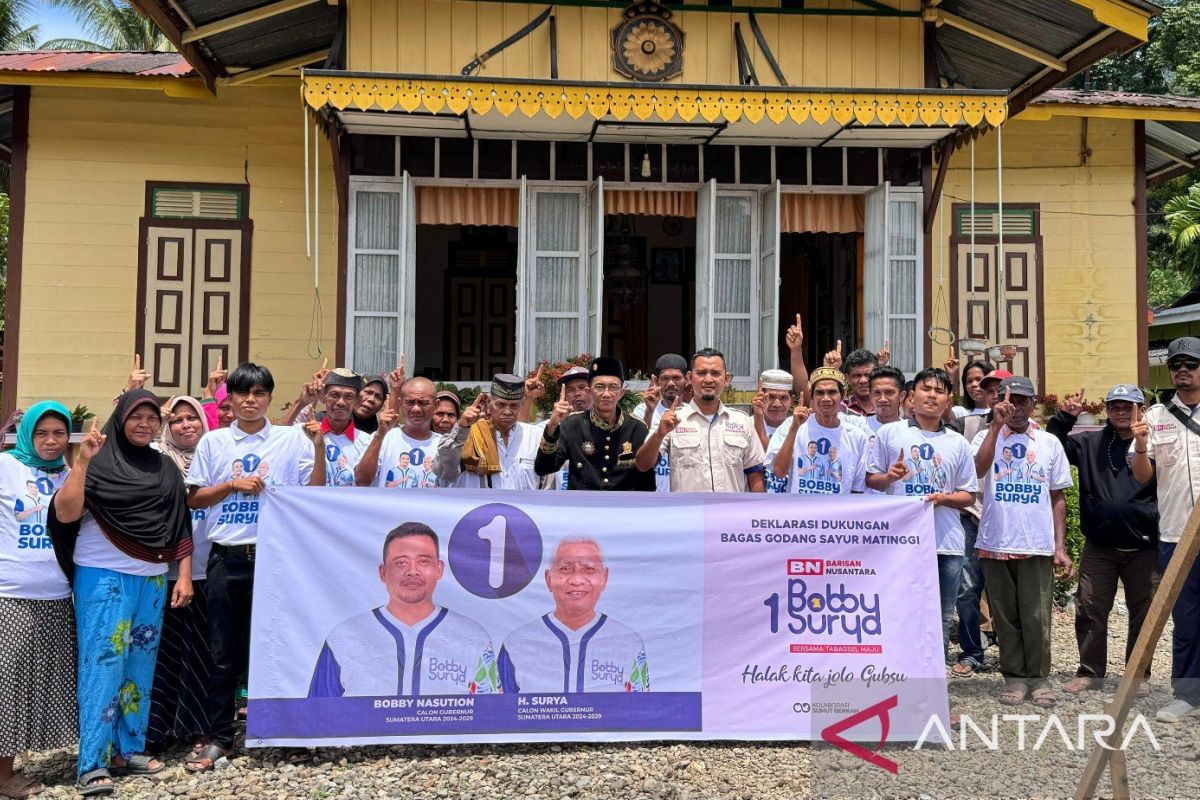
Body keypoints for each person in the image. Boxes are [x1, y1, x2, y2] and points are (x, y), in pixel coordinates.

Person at [48, 391, 195, 795]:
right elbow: (65, 513)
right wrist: (81, 462)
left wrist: (182, 574)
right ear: (121, 419)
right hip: (103, 574)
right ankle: (91, 761)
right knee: (103, 663)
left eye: (152, 417)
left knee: (139, 667)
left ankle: (127, 749)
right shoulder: (98, 461)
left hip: (150, 576)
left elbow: (180, 521)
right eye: (136, 416)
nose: (145, 423)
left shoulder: (165, 466)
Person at [183, 363, 315, 772]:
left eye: (259, 393)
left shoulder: (292, 440)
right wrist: (231, 486)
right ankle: (221, 737)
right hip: (227, 557)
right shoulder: (214, 442)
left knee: (279, 648)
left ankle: (288, 735)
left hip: (277, 558)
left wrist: (322, 447)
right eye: (242, 393)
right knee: (223, 652)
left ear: (270, 398)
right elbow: (194, 500)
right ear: (231, 399)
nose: (250, 400)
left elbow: (314, 490)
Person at [1047, 385, 1159, 697]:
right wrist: (1064, 418)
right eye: (1115, 406)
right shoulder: (1089, 442)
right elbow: (1051, 448)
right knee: (1090, 608)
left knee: (1144, 613)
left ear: (1143, 410)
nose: (1122, 412)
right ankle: (1090, 672)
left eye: (1129, 406)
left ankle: (1137, 675)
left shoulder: (1155, 443)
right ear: (1106, 410)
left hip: (1144, 546)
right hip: (1100, 545)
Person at [971, 376, 1074, 707]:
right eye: (1009, 401)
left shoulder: (1048, 443)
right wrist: (994, 429)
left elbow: (1057, 497)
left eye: (1023, 402)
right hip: (995, 541)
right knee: (1005, 616)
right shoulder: (983, 437)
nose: (1016, 409)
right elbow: (977, 469)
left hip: (1035, 544)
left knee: (1036, 616)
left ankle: (1039, 678)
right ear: (999, 403)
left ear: (1034, 405)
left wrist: (1060, 547)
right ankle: (1014, 678)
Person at [308, 522, 497, 697]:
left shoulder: (473, 636)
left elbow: (493, 719)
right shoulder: (344, 636)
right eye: (400, 562)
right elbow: (317, 718)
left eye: (423, 561)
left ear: (439, 569)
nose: (412, 571)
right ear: (383, 572)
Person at [866, 368, 977, 661]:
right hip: (900, 543)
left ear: (948, 400)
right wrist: (889, 476)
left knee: (940, 618)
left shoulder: (959, 443)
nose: (932, 395)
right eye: (925, 389)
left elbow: (969, 495)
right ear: (911, 397)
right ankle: (896, 678)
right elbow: (871, 479)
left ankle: (933, 688)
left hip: (945, 543)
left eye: (939, 391)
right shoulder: (890, 433)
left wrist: (945, 498)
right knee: (897, 613)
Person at [0, 403, 77, 800]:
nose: (50, 441)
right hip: (11, 593)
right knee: (8, 684)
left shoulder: (68, 473)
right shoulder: (5, 467)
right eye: (42, 433)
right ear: (27, 433)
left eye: (59, 434)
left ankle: (20, 763)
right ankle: (4, 776)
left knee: (40, 683)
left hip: (57, 593)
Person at [1132, 336, 1200, 723]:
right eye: (1176, 365)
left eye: (1191, 363)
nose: (1183, 371)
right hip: (1176, 533)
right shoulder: (1155, 418)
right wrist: (1141, 446)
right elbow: (1143, 476)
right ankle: (1187, 694)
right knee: (1186, 617)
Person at [146, 397, 215, 761]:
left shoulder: (215, 456)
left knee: (200, 655)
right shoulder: (159, 460)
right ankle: (157, 728)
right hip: (167, 571)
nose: (187, 425)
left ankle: (195, 726)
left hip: (209, 569)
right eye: (178, 420)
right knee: (164, 655)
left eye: (194, 419)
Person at [498, 538, 648, 693]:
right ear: (549, 579)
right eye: (565, 569)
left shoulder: (629, 642)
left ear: (604, 578)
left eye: (589, 569)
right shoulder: (517, 643)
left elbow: (641, 711)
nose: (577, 580)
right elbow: (498, 711)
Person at [635, 348, 766, 493]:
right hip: (688, 513)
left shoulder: (742, 421)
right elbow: (643, 465)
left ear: (727, 379)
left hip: (729, 513)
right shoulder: (671, 419)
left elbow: (755, 476)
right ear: (689, 378)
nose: (708, 380)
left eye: (715, 373)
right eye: (701, 373)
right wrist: (659, 433)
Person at [948, 367, 1002, 677]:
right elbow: (974, 470)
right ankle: (972, 651)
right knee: (967, 589)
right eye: (991, 390)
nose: (996, 395)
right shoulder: (974, 426)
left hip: (1006, 524)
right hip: (974, 517)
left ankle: (1014, 655)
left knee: (1007, 592)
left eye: (1001, 389)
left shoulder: (1034, 431)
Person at [536, 358, 654, 491]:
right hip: (584, 508)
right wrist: (552, 425)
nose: (606, 394)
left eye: (613, 387)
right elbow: (544, 468)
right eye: (599, 387)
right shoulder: (572, 425)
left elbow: (647, 481)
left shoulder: (636, 427)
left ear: (621, 393)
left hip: (623, 508)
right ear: (589, 392)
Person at [767, 367, 869, 496]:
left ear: (842, 396)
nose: (826, 398)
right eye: (820, 393)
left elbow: (857, 489)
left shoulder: (857, 436)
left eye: (832, 392)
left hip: (838, 514)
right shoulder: (792, 425)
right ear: (812, 397)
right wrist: (794, 428)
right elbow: (779, 472)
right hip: (801, 512)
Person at [355, 377, 457, 489]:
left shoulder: (445, 445)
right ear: (401, 403)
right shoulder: (383, 438)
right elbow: (362, 481)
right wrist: (379, 435)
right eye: (410, 402)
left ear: (436, 405)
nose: (416, 409)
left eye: (423, 403)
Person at [442, 375, 541, 490]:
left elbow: (548, 485)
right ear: (489, 403)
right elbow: (444, 471)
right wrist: (461, 428)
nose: (507, 412)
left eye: (514, 405)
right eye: (501, 404)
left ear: (522, 404)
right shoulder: (467, 432)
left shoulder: (535, 436)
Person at [631, 354, 688, 492]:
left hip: (681, 495)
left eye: (676, 378)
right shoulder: (641, 410)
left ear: (686, 380)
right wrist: (649, 412)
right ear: (656, 380)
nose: (670, 383)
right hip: (650, 494)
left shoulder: (691, 413)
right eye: (665, 378)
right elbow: (637, 449)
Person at [544, 365, 594, 491]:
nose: (577, 393)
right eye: (571, 389)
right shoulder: (548, 428)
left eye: (582, 387)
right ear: (563, 395)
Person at [754, 369, 794, 493]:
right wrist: (758, 417)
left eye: (783, 398)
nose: (777, 404)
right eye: (770, 397)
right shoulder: (746, 425)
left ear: (791, 400)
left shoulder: (798, 428)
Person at [840, 348, 880, 416]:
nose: (863, 380)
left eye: (868, 375)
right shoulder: (839, 409)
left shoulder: (888, 407)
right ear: (847, 378)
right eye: (856, 375)